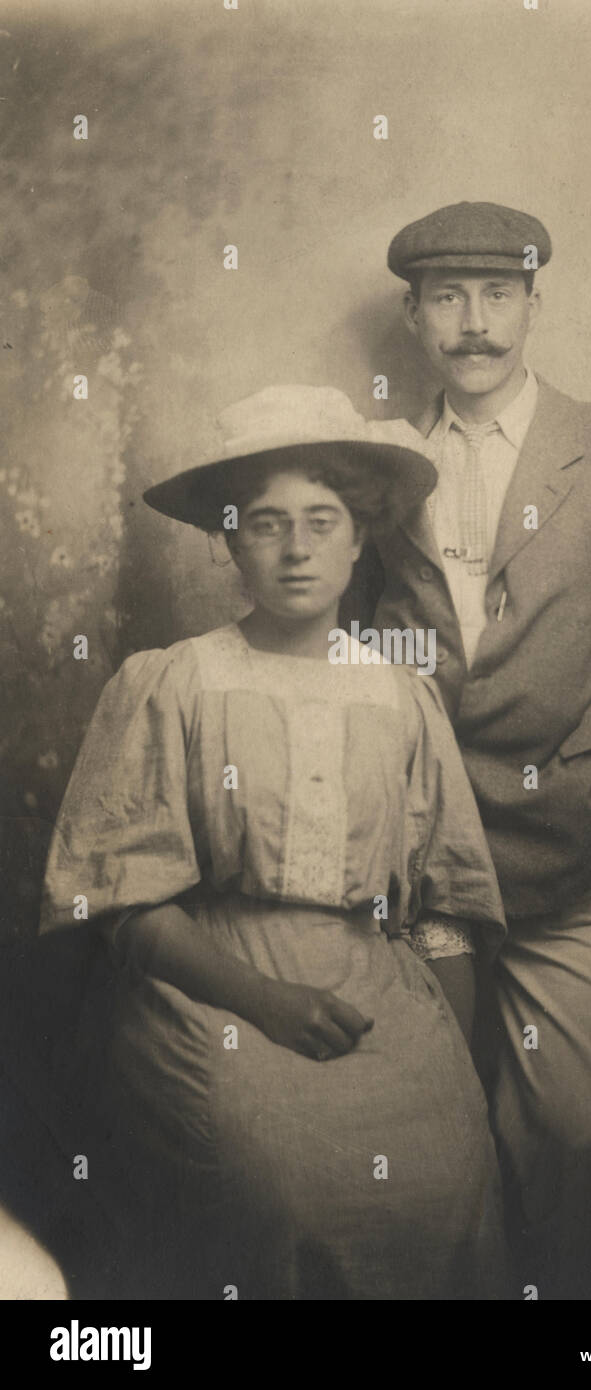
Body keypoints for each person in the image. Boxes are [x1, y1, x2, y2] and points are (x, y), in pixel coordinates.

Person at [39, 385, 510, 1301]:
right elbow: (121, 902)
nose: (297, 549)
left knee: (452, 1170)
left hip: (377, 985)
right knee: (284, 1190)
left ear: (359, 535)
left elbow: (446, 905)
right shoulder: (173, 683)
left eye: (321, 521)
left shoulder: (398, 694)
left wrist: (459, 1068)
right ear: (227, 541)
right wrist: (265, 999)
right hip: (209, 980)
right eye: (265, 524)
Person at [355, 201, 591, 1297]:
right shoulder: (380, 469)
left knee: (569, 1138)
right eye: (446, 299)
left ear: (534, 303)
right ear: (413, 316)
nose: (474, 324)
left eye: (498, 295)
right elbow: (350, 648)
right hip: (416, 864)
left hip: (565, 865)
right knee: (419, 1146)